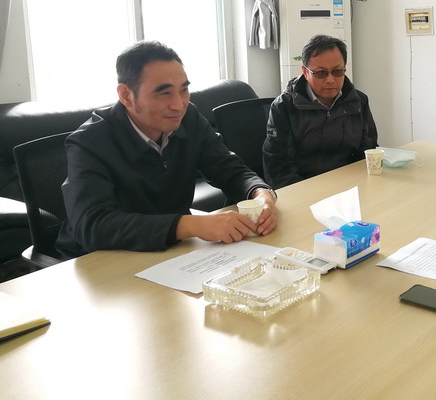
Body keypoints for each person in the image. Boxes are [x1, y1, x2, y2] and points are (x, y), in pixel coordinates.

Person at [56, 41, 278, 257]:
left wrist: (260, 193)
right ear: (125, 95)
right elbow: (93, 225)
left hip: (170, 252)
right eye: (164, 93)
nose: (179, 105)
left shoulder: (189, 118)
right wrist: (191, 225)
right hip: (100, 261)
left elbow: (230, 170)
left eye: (184, 90)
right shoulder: (89, 142)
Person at [263, 34, 378, 188]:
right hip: (305, 188)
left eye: (337, 71)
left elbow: (368, 153)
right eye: (321, 73)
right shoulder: (283, 106)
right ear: (305, 72)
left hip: (350, 187)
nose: (330, 80)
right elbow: (279, 169)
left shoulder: (358, 101)